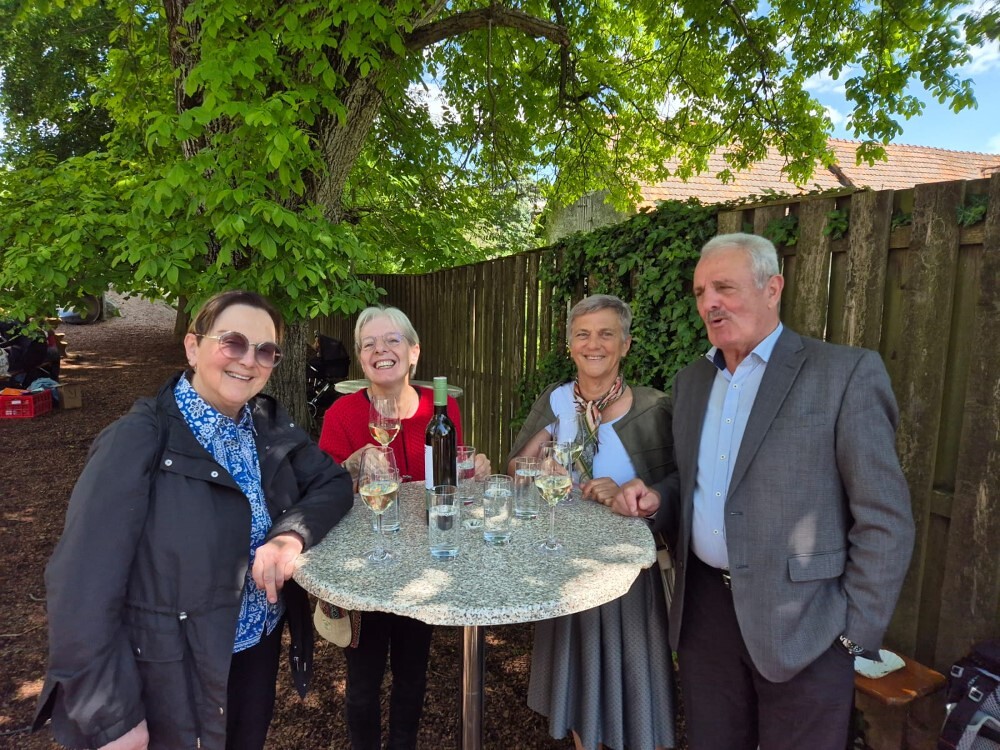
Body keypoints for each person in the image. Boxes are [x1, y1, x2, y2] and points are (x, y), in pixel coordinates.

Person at [613, 233, 915, 750]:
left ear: (773, 288)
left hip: (805, 623)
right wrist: (660, 498)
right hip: (706, 613)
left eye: (724, 287)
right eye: (700, 292)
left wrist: (850, 637)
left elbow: (885, 518)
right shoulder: (691, 383)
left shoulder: (843, 374)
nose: (709, 303)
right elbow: (698, 483)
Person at [33, 290, 353, 750]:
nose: (249, 360)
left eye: (265, 350)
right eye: (233, 342)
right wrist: (110, 717)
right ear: (192, 347)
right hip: (174, 673)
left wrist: (290, 536)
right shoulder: (138, 439)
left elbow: (333, 484)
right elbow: (81, 583)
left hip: (256, 652)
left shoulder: (267, 424)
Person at [508, 294, 676, 750]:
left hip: (626, 571)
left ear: (625, 344)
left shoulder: (654, 408)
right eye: (582, 334)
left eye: (606, 334)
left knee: (630, 678)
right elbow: (516, 468)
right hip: (564, 562)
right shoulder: (556, 400)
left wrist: (626, 492)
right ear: (570, 346)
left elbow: (675, 486)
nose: (593, 344)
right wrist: (540, 468)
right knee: (577, 676)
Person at [318, 304, 490, 750]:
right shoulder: (342, 414)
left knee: (413, 674)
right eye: (369, 344)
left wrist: (472, 469)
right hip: (366, 568)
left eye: (392, 340)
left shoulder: (441, 407)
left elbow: (446, 480)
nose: (381, 350)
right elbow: (320, 489)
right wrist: (351, 466)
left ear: (414, 352)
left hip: (422, 567)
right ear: (361, 358)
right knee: (363, 683)